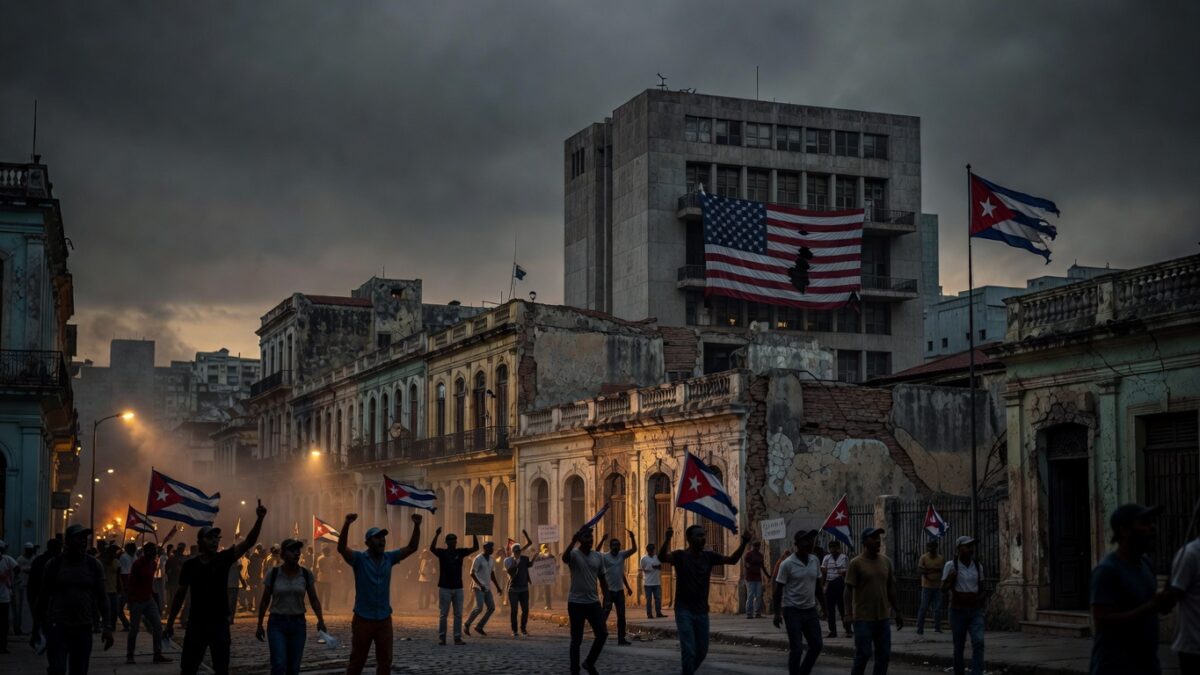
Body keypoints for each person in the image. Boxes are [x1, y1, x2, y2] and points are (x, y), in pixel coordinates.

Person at [165, 500, 267, 675]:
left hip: (219, 623)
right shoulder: (190, 566)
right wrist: (169, 623)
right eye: (209, 537)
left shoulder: (223, 559)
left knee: (221, 667)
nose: (214, 541)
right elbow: (180, 595)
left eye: (216, 538)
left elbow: (249, 542)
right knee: (188, 667)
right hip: (196, 623)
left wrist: (259, 519)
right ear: (200, 542)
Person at [659, 525, 751, 675]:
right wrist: (667, 539)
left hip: (701, 611)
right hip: (684, 610)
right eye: (698, 535)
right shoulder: (680, 556)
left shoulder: (709, 557)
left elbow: (732, 560)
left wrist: (744, 542)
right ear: (689, 539)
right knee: (688, 650)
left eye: (703, 535)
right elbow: (662, 557)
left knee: (702, 651)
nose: (702, 538)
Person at [338, 512, 422, 675]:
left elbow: (412, 547)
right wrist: (347, 524)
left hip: (384, 618)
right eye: (377, 538)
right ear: (368, 542)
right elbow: (341, 548)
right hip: (363, 618)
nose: (382, 540)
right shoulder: (359, 559)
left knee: (385, 662)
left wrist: (417, 526)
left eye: (383, 538)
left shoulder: (389, 558)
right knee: (357, 661)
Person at [1089, 503, 1168, 675]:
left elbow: (1149, 603)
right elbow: (1102, 620)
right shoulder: (1107, 570)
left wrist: (1163, 602)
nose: (1152, 528)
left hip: (1147, 665)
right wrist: (1149, 608)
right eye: (1144, 523)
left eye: (1152, 523)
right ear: (1124, 530)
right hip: (1115, 667)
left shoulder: (1146, 564)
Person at [31, 524, 112, 675]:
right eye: (78, 538)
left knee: (79, 670)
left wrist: (107, 627)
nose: (83, 542)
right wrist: (36, 629)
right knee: (57, 669)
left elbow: (102, 598)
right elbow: (42, 597)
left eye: (85, 538)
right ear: (67, 542)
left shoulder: (93, 565)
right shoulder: (54, 565)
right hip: (58, 626)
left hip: (83, 627)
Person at [256, 538, 327, 675]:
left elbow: (314, 599)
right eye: (292, 550)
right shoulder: (274, 573)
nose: (296, 553)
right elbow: (265, 600)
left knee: (294, 667)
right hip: (277, 623)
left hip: (298, 624)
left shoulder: (306, 574)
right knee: (279, 664)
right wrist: (259, 624)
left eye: (298, 551)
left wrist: (321, 620)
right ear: (283, 554)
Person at [845, 527, 902, 675]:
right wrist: (848, 614)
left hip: (883, 617)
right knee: (863, 654)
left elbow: (891, 589)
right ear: (864, 541)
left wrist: (897, 611)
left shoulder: (886, 562)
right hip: (863, 618)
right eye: (873, 537)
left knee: (884, 655)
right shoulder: (856, 563)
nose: (877, 540)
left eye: (879, 538)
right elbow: (848, 589)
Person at [773, 529, 823, 675]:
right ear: (797, 544)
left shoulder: (815, 561)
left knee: (817, 645)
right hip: (792, 610)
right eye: (805, 540)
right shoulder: (787, 564)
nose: (809, 543)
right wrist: (777, 613)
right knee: (797, 649)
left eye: (811, 540)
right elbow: (778, 590)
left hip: (810, 610)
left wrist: (825, 608)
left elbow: (818, 588)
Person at [563, 527, 608, 675]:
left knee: (602, 634)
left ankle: (589, 662)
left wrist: (606, 598)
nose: (590, 539)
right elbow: (564, 558)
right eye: (587, 537)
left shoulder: (598, 557)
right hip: (576, 603)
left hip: (593, 602)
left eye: (591, 537)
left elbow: (602, 579)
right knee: (577, 638)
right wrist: (573, 541)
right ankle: (574, 669)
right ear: (580, 540)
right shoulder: (574, 555)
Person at [941, 535, 986, 675]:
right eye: (967, 546)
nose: (971, 549)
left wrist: (981, 598)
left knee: (978, 641)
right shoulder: (950, 565)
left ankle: (977, 672)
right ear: (959, 548)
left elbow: (983, 587)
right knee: (959, 646)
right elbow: (943, 588)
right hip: (957, 610)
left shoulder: (977, 566)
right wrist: (950, 579)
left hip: (974, 610)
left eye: (972, 546)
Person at [1164, 504, 1200, 673]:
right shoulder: (1191, 554)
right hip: (1193, 645)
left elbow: (1170, 599)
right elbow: (1171, 598)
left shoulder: (1191, 553)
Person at [430, 528, 478, 645]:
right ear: (446, 542)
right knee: (443, 614)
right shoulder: (442, 552)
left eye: (454, 541)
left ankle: (457, 638)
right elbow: (432, 549)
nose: (453, 543)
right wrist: (436, 535)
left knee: (458, 614)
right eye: (451, 541)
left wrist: (474, 533)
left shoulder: (460, 552)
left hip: (458, 588)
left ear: (456, 542)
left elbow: (475, 548)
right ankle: (442, 638)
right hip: (445, 587)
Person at [125, 542, 170, 664]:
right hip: (137, 600)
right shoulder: (137, 564)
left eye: (155, 551)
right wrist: (130, 600)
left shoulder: (153, 564)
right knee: (134, 629)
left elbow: (151, 582)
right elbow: (131, 583)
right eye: (152, 551)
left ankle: (157, 654)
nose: (154, 553)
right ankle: (130, 655)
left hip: (148, 598)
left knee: (158, 626)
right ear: (146, 551)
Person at [600, 529, 637, 644]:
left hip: (619, 591)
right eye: (614, 545)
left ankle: (621, 638)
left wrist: (632, 537)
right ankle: (600, 635)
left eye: (618, 545)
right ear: (610, 546)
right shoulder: (605, 557)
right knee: (604, 615)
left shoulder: (622, 555)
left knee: (621, 616)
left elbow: (634, 549)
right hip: (609, 592)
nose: (616, 547)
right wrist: (602, 540)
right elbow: (595, 552)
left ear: (620, 546)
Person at [464, 541, 503, 637]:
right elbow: (472, 573)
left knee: (491, 608)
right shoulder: (478, 559)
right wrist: (479, 584)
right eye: (490, 548)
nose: (492, 550)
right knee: (479, 607)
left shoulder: (491, 559)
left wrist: (498, 587)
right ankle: (467, 623)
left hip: (487, 587)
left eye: (492, 548)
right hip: (478, 587)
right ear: (485, 549)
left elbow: (492, 574)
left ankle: (479, 626)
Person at [504, 530, 535, 637]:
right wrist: (516, 563)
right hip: (513, 589)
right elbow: (510, 572)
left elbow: (529, 564)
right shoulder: (508, 561)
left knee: (525, 610)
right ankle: (514, 630)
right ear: (513, 552)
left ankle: (523, 628)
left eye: (519, 551)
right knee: (514, 611)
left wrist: (535, 557)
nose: (517, 553)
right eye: (516, 551)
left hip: (524, 588)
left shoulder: (525, 559)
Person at [27, 538, 61, 619]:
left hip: (39, 598)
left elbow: (31, 582)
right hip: (50, 599)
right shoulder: (59, 561)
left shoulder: (38, 560)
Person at [821, 539, 849, 638]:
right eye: (831, 548)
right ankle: (833, 631)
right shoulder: (826, 558)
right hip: (830, 584)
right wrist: (823, 585)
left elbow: (845, 573)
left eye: (834, 547)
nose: (833, 550)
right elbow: (824, 572)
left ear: (838, 548)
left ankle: (848, 629)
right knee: (830, 609)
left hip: (840, 583)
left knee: (842, 608)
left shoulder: (844, 558)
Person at [917, 539, 945, 635]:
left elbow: (941, 570)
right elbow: (921, 571)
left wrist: (928, 570)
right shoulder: (924, 558)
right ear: (927, 548)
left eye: (933, 547)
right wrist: (933, 570)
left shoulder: (940, 558)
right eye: (930, 547)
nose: (932, 549)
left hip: (937, 587)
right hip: (926, 586)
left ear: (936, 547)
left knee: (937, 608)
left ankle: (937, 627)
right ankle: (920, 628)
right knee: (923, 608)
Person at [14, 542, 35, 636]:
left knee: (28, 608)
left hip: (30, 586)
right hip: (20, 587)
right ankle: (20, 628)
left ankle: (29, 628)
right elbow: (16, 572)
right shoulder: (20, 559)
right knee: (19, 608)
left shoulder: (34, 558)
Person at [641, 543, 666, 619]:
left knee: (658, 598)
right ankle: (649, 614)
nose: (652, 551)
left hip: (656, 582)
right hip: (648, 582)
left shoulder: (657, 557)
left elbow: (660, 567)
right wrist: (652, 567)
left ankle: (658, 612)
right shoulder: (644, 558)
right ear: (648, 550)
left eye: (653, 549)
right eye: (651, 550)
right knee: (649, 599)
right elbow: (643, 569)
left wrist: (657, 567)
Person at [744, 540, 767, 619]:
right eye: (755, 546)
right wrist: (750, 568)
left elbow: (762, 566)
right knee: (750, 596)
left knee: (758, 595)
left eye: (758, 546)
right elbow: (746, 565)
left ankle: (757, 613)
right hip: (750, 578)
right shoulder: (748, 554)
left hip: (758, 578)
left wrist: (768, 575)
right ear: (753, 546)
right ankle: (749, 614)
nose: (757, 548)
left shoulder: (760, 555)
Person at [0, 539, 15, 653]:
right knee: (4, 623)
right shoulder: (7, 559)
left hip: (5, 596)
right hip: (4, 597)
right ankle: (3, 646)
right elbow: (17, 569)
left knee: (4, 624)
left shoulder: (7, 559)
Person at [117, 542, 135, 631]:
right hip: (131, 585)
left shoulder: (124, 557)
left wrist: (123, 587)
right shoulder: (132, 557)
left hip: (127, 585)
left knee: (119, 608)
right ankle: (131, 625)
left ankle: (128, 624)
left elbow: (123, 573)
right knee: (131, 607)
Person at [313, 547, 333, 612]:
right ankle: (325, 606)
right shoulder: (331, 558)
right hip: (325, 578)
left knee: (322, 593)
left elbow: (317, 568)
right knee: (325, 593)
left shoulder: (320, 558)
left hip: (322, 578)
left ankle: (323, 606)